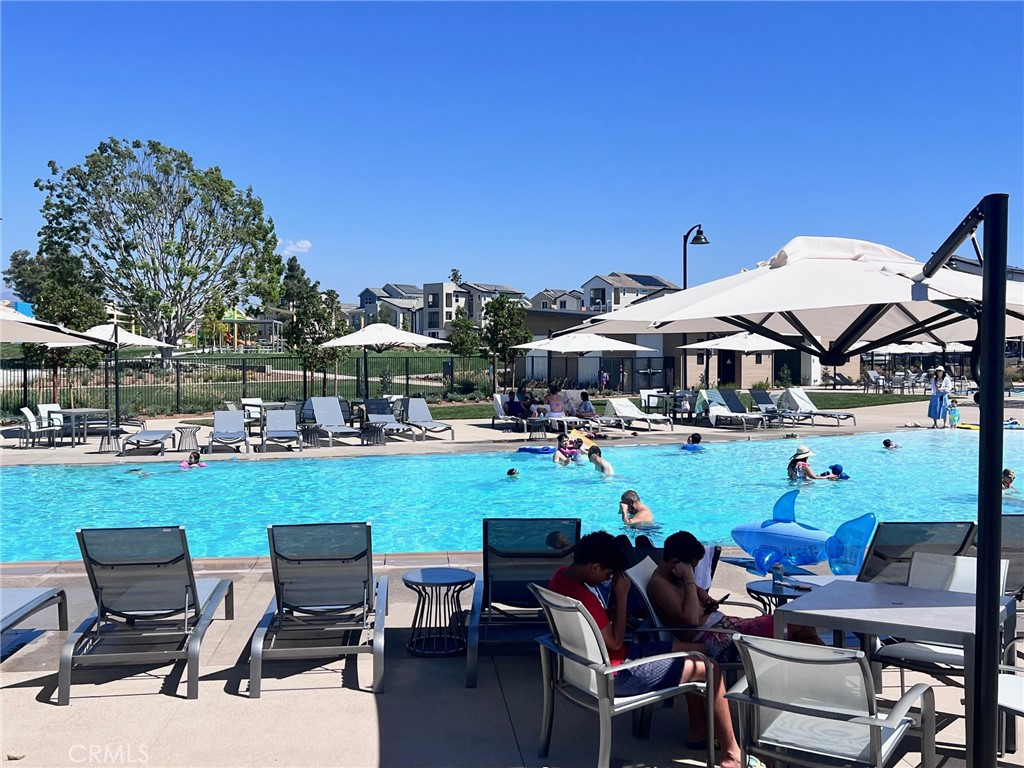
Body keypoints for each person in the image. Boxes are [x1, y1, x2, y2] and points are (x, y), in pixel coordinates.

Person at [548, 531, 745, 768]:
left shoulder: (559, 580)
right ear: (595, 567)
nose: (608, 580)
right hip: (617, 674)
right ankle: (732, 755)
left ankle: (699, 730)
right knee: (709, 667)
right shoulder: (585, 600)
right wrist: (621, 598)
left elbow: (599, 632)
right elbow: (615, 643)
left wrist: (607, 615)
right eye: (608, 575)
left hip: (601, 663)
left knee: (701, 649)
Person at [647, 531, 823, 666]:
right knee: (800, 627)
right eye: (691, 567)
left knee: (802, 628)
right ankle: (827, 672)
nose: (693, 572)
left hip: (727, 627)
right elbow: (692, 619)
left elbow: (696, 594)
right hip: (718, 639)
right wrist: (689, 579)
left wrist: (706, 598)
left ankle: (817, 672)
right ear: (676, 562)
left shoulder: (674, 578)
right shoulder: (659, 585)